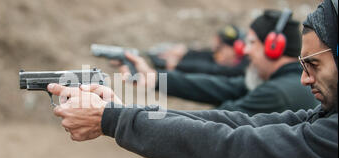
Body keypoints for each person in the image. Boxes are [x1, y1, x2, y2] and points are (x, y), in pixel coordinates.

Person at [48, 0, 338, 158]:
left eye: (313, 64)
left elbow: (231, 144)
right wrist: (122, 112)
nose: (304, 78)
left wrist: (114, 119)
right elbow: (233, 122)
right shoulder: (325, 114)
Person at [130, 10, 319, 116]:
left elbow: (215, 121)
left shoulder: (277, 93)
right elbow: (217, 87)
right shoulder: (281, 82)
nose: (245, 51)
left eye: (252, 43)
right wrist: (155, 78)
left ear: (274, 47)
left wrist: (130, 116)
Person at [150, 25, 250, 77]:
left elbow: (210, 69)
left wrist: (178, 65)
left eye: (220, 49)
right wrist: (185, 53)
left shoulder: (240, 70)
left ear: (235, 50)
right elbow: (208, 56)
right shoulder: (234, 60)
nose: (217, 54)